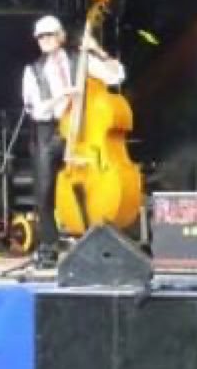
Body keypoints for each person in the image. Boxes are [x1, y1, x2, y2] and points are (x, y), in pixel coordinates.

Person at [21, 15, 125, 269]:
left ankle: (96, 237)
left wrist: (98, 51)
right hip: (49, 133)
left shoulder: (80, 60)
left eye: (49, 34)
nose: (44, 39)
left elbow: (116, 77)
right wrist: (62, 96)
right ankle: (49, 248)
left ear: (61, 36)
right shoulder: (32, 71)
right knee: (44, 192)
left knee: (93, 182)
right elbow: (36, 111)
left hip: (83, 133)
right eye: (40, 36)